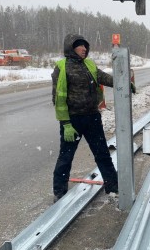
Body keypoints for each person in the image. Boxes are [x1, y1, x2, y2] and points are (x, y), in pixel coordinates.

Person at [51, 34, 136, 203]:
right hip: (73, 120)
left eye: (85, 46)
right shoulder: (62, 67)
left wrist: (124, 82)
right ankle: (59, 191)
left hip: (92, 117)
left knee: (102, 153)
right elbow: (57, 97)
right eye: (80, 46)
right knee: (66, 156)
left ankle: (113, 186)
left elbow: (104, 78)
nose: (84, 49)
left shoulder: (89, 64)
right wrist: (66, 123)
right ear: (71, 48)